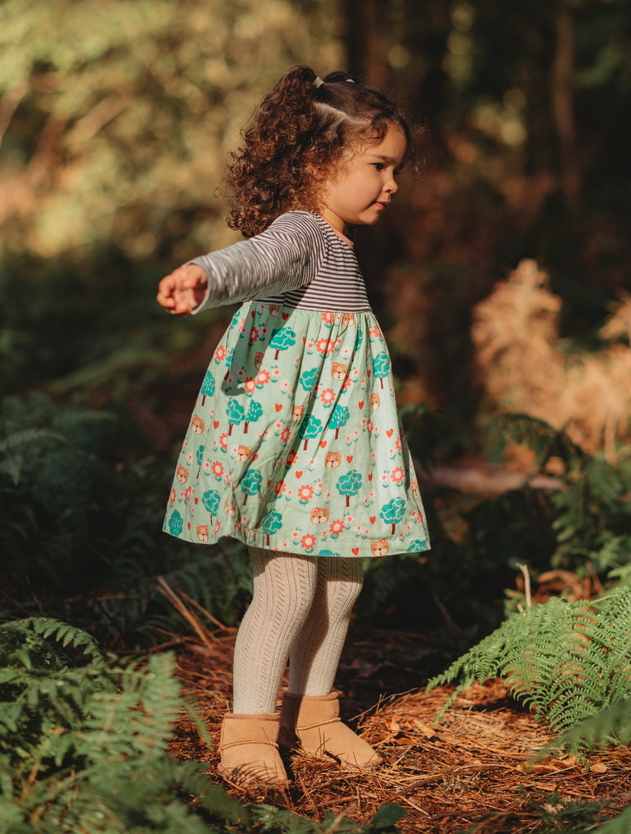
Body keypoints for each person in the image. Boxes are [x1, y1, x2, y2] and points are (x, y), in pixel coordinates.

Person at [156, 65, 430, 789]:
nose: (392, 184)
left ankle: (316, 715)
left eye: (394, 167)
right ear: (317, 162)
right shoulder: (305, 234)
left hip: (338, 455)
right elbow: (257, 259)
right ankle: (249, 729)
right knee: (288, 589)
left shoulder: (339, 243)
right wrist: (205, 276)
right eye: (379, 166)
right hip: (292, 454)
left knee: (341, 586)